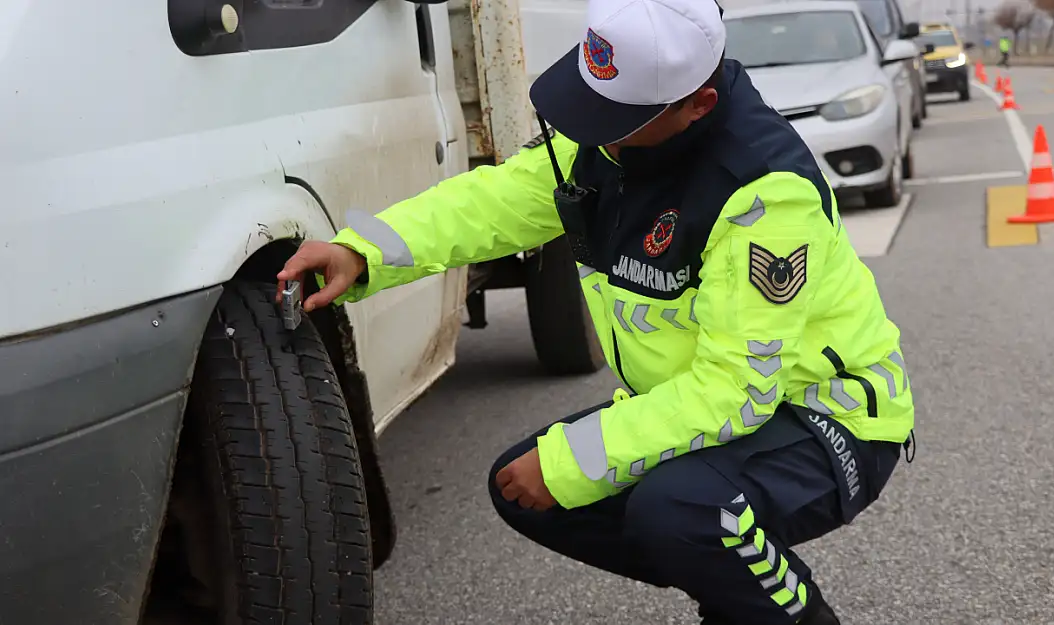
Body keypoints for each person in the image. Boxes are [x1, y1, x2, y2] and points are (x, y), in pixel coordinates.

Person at [276, 0, 916, 621]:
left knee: (675, 509)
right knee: (524, 491)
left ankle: (791, 613)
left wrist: (567, 463)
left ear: (698, 104)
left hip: (827, 417)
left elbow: (736, 390)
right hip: (716, 407)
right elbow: (496, 202)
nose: (592, 130)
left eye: (616, 117)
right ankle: (733, 588)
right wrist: (362, 252)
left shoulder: (763, 196)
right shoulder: (611, 142)